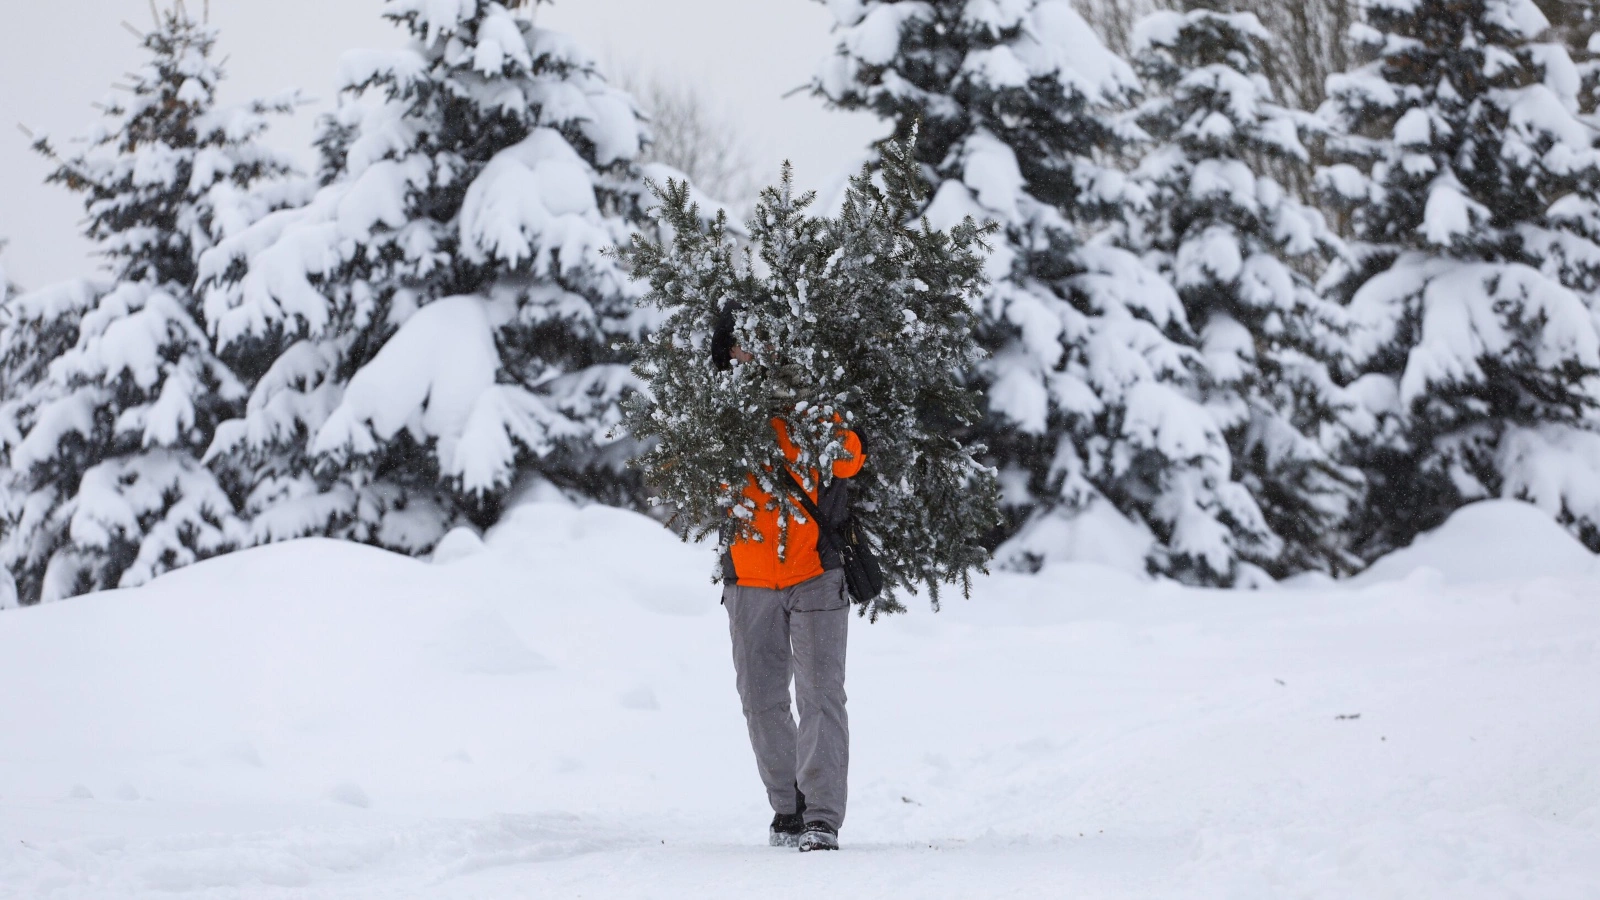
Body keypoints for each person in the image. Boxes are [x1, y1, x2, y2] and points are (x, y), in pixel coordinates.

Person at [712, 308, 863, 852]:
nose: (748, 356)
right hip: (747, 578)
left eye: (759, 345)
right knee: (760, 697)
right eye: (738, 346)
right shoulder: (716, 414)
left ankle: (823, 815)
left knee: (821, 695)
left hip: (815, 574)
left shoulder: (808, 411)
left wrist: (817, 412)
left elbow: (847, 462)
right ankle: (788, 807)